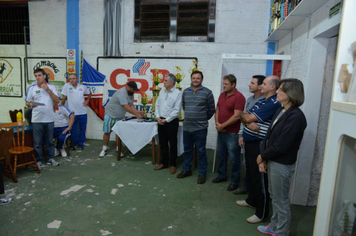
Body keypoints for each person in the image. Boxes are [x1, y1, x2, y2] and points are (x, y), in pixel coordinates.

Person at [256, 79, 307, 236]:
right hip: (273, 160)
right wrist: (264, 158)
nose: (276, 92)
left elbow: (282, 145)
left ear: (291, 93)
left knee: (281, 200)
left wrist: (262, 156)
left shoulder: (296, 117)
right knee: (275, 196)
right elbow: (269, 136)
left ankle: (282, 232)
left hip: (282, 163)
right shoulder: (281, 110)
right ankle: (274, 225)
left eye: (281, 90)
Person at [236, 75, 281, 224]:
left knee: (260, 179)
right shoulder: (262, 100)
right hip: (250, 141)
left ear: (272, 87)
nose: (261, 86)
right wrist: (247, 122)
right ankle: (252, 200)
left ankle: (261, 212)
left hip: (259, 143)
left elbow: (247, 117)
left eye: (264, 84)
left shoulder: (274, 102)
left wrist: (247, 119)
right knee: (250, 173)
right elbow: (243, 116)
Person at [176, 71, 215, 184]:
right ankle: (187, 170)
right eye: (193, 78)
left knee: (201, 151)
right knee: (187, 150)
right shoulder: (185, 92)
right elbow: (184, 106)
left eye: (198, 78)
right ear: (191, 79)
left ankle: (202, 174)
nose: (195, 80)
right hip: (187, 127)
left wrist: (202, 118)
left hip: (200, 128)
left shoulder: (207, 92)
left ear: (202, 80)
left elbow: (211, 109)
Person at [212, 74, 245, 191]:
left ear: (233, 85)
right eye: (223, 84)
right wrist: (217, 123)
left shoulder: (239, 97)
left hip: (232, 133)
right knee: (221, 155)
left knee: (234, 158)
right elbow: (218, 109)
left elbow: (237, 116)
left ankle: (235, 181)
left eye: (226, 84)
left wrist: (222, 126)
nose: (224, 86)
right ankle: (222, 175)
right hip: (221, 131)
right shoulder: (222, 95)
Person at [234, 75, 266, 195]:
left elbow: (252, 120)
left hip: (258, 139)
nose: (249, 84)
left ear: (260, 86)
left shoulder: (265, 102)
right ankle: (247, 186)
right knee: (246, 164)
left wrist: (246, 118)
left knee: (256, 166)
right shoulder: (249, 100)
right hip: (247, 136)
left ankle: (255, 190)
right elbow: (243, 117)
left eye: (252, 83)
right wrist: (241, 134)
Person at [25, 68, 60, 168]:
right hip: (37, 119)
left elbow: (57, 100)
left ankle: (50, 158)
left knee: (50, 141)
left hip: (49, 119)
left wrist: (48, 90)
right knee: (37, 143)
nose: (37, 78)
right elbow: (27, 102)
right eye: (36, 76)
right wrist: (31, 104)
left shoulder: (51, 87)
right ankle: (39, 161)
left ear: (45, 76)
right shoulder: (32, 88)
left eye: (39, 75)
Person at [99, 81, 144, 157]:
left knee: (119, 134)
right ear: (129, 87)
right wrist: (136, 114)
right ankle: (104, 149)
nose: (134, 92)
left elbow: (131, 105)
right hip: (110, 114)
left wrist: (138, 112)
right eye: (133, 90)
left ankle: (118, 149)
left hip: (120, 116)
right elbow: (126, 107)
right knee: (107, 132)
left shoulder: (131, 93)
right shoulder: (121, 93)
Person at [154, 73, 182, 174]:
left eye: (165, 81)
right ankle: (164, 162)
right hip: (160, 120)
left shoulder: (178, 93)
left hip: (171, 122)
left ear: (171, 83)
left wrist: (166, 120)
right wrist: (158, 117)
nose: (163, 82)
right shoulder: (162, 91)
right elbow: (157, 105)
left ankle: (173, 164)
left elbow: (176, 110)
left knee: (173, 144)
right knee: (162, 143)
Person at [61, 73, 92, 149]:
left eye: (73, 78)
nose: (72, 80)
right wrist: (61, 107)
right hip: (72, 113)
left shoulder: (82, 87)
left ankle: (81, 143)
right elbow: (64, 97)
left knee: (82, 128)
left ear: (77, 79)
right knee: (73, 129)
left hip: (83, 112)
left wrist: (87, 101)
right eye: (70, 79)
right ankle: (74, 144)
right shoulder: (66, 86)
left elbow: (89, 93)